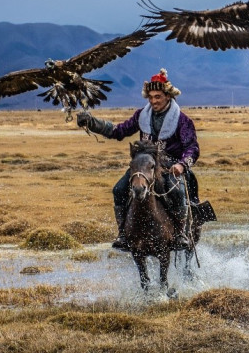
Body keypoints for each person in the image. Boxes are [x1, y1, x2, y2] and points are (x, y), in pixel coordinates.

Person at [76, 68, 200, 250]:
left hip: (169, 166)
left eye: (158, 96)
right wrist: (92, 123)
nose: (153, 101)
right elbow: (118, 131)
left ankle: (180, 234)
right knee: (119, 189)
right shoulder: (141, 115)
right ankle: (123, 235)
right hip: (144, 165)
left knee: (178, 192)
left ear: (168, 96)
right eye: (150, 97)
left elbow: (192, 148)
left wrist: (182, 165)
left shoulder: (182, 120)